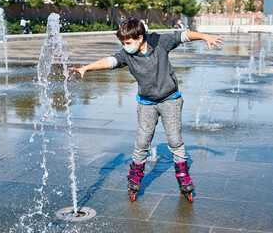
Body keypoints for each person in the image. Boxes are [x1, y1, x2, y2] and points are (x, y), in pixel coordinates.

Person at [68, 18, 223, 203]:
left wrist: (205, 36)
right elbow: (109, 61)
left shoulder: (159, 42)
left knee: (175, 140)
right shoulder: (127, 55)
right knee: (142, 142)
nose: (125, 46)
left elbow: (183, 36)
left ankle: (183, 176)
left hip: (170, 100)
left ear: (140, 38)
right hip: (146, 103)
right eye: (122, 43)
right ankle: (134, 177)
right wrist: (86, 67)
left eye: (128, 42)